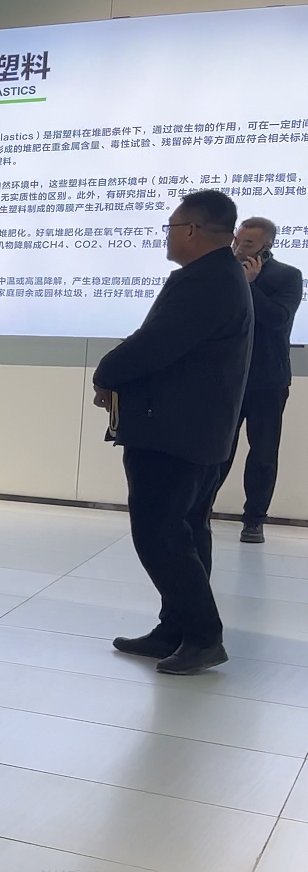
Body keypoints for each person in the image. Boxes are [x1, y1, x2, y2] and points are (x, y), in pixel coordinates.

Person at [97, 189, 253, 676]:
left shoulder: (205, 281)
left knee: (160, 533)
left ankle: (203, 636)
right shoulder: (220, 276)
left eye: (169, 227)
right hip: (196, 430)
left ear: (190, 230)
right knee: (185, 530)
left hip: (174, 433)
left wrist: (107, 372)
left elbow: (155, 345)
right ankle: (177, 628)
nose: (167, 236)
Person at [215, 217, 302, 544]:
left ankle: (254, 520)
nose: (238, 248)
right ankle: (199, 508)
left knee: (263, 453)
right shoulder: (223, 274)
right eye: (236, 241)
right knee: (217, 448)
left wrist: (249, 285)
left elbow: (278, 319)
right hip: (228, 377)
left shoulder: (287, 276)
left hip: (268, 379)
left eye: (247, 244)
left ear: (266, 247)